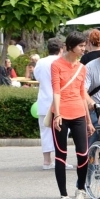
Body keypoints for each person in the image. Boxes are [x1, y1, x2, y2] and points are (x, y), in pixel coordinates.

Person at [49, 31, 94, 199]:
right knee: (61, 155)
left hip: (79, 114)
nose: (84, 49)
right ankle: (63, 195)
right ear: (70, 46)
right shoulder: (56, 65)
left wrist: (89, 121)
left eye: (85, 45)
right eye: (81, 46)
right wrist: (57, 114)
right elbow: (56, 90)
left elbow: (83, 94)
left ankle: (80, 190)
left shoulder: (82, 68)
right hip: (61, 114)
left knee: (83, 154)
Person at [34, 38, 69, 170]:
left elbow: (37, 78)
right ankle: (61, 160)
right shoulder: (62, 62)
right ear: (61, 49)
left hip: (43, 100)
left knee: (45, 131)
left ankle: (46, 161)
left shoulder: (40, 62)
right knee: (62, 132)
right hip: (60, 101)